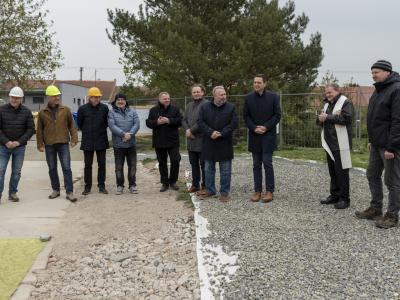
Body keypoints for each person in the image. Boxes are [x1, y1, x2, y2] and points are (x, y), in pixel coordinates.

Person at [355, 60, 400, 229]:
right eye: (372, 72)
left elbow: (397, 121)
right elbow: (375, 119)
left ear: (388, 72)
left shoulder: (396, 89)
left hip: (390, 146)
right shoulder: (378, 90)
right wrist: (371, 140)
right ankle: (375, 208)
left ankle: (392, 215)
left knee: (392, 181)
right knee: (372, 175)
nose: (374, 75)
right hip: (376, 144)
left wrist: (392, 147)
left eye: (377, 72)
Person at [36, 85, 78, 202]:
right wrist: (39, 144)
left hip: (63, 142)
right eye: (54, 96)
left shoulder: (66, 110)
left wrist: (74, 139)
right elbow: (39, 129)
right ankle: (56, 190)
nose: (57, 98)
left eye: (58, 96)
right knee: (52, 168)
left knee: (66, 167)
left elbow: (72, 126)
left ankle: (69, 192)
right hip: (49, 144)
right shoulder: (42, 113)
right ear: (49, 97)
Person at [243, 74, 281, 203]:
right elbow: (246, 116)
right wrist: (254, 128)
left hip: (268, 135)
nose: (256, 85)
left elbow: (277, 115)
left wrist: (265, 127)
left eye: (259, 82)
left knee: (267, 163)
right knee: (256, 164)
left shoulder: (273, 97)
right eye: (254, 82)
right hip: (254, 136)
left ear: (265, 84)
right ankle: (257, 191)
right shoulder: (248, 98)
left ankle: (269, 191)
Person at [198, 86, 238, 202]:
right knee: (208, 169)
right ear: (214, 96)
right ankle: (210, 190)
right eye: (221, 95)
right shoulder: (205, 107)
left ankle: (224, 193)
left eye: (225, 94)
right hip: (209, 142)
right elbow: (200, 122)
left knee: (225, 170)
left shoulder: (231, 107)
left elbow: (234, 123)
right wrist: (211, 132)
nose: (224, 97)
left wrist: (221, 133)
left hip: (224, 142)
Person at [317, 84, 353, 209]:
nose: (328, 95)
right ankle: (334, 195)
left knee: (342, 172)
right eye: (326, 93)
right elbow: (321, 120)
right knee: (333, 172)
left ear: (337, 91)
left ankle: (344, 198)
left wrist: (327, 117)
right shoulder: (327, 104)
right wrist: (320, 119)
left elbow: (347, 119)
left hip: (340, 143)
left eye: (330, 92)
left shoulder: (345, 102)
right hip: (329, 143)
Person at [0, 87, 34, 203]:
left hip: (19, 147)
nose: (14, 99)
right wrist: (6, 142)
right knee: (0, 170)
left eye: (17, 98)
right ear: (9, 97)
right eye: (13, 97)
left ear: (21, 99)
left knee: (16, 172)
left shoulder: (26, 112)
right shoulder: (1, 110)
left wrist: (18, 142)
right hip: (3, 147)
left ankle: (12, 193)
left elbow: (30, 129)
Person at [146, 92, 182, 192]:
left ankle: (173, 181)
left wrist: (168, 120)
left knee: (175, 160)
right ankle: (164, 183)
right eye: (164, 99)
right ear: (160, 99)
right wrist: (157, 122)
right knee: (162, 162)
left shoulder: (175, 109)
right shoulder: (153, 110)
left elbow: (180, 121)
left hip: (173, 141)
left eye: (168, 98)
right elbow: (148, 123)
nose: (167, 100)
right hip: (159, 141)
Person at [77, 87, 109, 195]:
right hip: (88, 140)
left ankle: (101, 186)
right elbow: (80, 124)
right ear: (89, 97)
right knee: (88, 165)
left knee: (102, 164)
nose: (97, 99)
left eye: (98, 97)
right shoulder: (82, 109)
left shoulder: (105, 108)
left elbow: (107, 122)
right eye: (95, 97)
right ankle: (87, 187)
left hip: (101, 139)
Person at [108, 93, 140, 195]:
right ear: (115, 101)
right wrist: (123, 134)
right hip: (118, 145)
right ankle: (120, 186)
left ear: (126, 101)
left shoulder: (133, 112)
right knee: (119, 167)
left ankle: (132, 185)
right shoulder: (111, 113)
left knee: (132, 166)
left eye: (122, 99)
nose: (121, 101)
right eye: (118, 100)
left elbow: (137, 124)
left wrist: (130, 134)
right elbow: (112, 126)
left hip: (131, 144)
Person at [182, 84, 207, 193]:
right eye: (194, 92)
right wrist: (187, 130)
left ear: (203, 92)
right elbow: (184, 120)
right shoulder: (189, 105)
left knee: (204, 164)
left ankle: (205, 185)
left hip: (202, 140)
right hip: (191, 141)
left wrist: (191, 131)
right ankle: (195, 184)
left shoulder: (206, 105)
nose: (196, 94)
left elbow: (203, 121)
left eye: (198, 91)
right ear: (192, 94)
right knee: (194, 164)